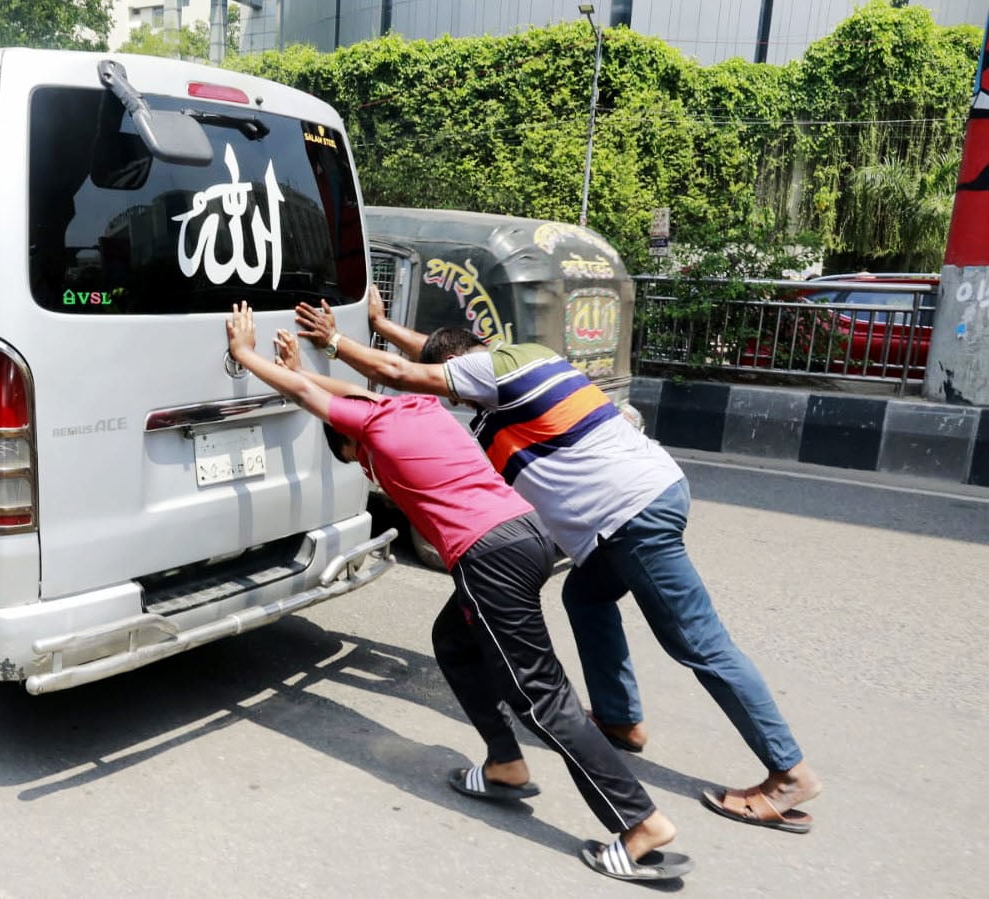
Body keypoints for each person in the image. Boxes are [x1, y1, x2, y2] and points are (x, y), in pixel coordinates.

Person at [293, 287, 821, 834]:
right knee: (586, 596)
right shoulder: (517, 360)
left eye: (455, 389)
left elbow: (409, 374)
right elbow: (438, 352)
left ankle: (788, 774)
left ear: (465, 365)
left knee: (698, 642)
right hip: (631, 508)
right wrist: (384, 323)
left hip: (631, 513)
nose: (460, 403)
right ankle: (619, 719)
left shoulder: (489, 373)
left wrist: (335, 341)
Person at [224, 302, 692, 882]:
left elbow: (311, 398)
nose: (360, 465)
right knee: (452, 639)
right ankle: (504, 764)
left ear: (347, 442)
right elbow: (341, 395)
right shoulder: (414, 406)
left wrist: (246, 356)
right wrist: (306, 366)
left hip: (488, 554)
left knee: (540, 696)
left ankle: (639, 823)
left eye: (349, 457)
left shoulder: (367, 429)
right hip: (528, 533)